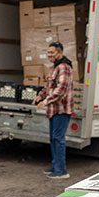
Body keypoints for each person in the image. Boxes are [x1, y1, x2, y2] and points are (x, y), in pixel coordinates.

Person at [33, 41, 73, 179]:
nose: (49, 55)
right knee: (53, 139)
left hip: (61, 110)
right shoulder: (54, 67)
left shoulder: (64, 67)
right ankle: (56, 166)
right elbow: (49, 86)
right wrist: (40, 96)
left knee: (58, 139)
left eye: (52, 52)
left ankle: (61, 171)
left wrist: (45, 101)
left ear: (60, 53)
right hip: (53, 110)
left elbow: (60, 90)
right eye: (48, 52)